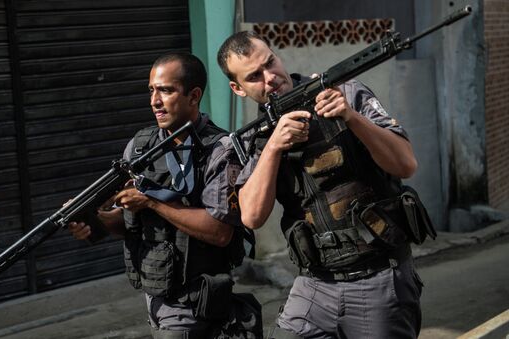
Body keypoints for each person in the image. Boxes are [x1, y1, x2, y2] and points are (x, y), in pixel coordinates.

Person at [217, 31, 433, 338]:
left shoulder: (344, 92)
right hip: (314, 284)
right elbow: (252, 216)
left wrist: (350, 117)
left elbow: (405, 164)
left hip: (377, 278)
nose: (271, 77)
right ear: (237, 89)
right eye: (254, 76)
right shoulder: (257, 137)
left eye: (270, 63)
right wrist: (274, 147)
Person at [68, 52, 261, 338]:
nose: (154, 101)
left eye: (166, 91)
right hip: (156, 298)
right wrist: (96, 221)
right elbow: (131, 223)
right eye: (151, 90)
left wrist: (150, 201)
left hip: (198, 299)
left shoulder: (220, 149)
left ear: (193, 96)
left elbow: (220, 231)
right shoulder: (139, 147)